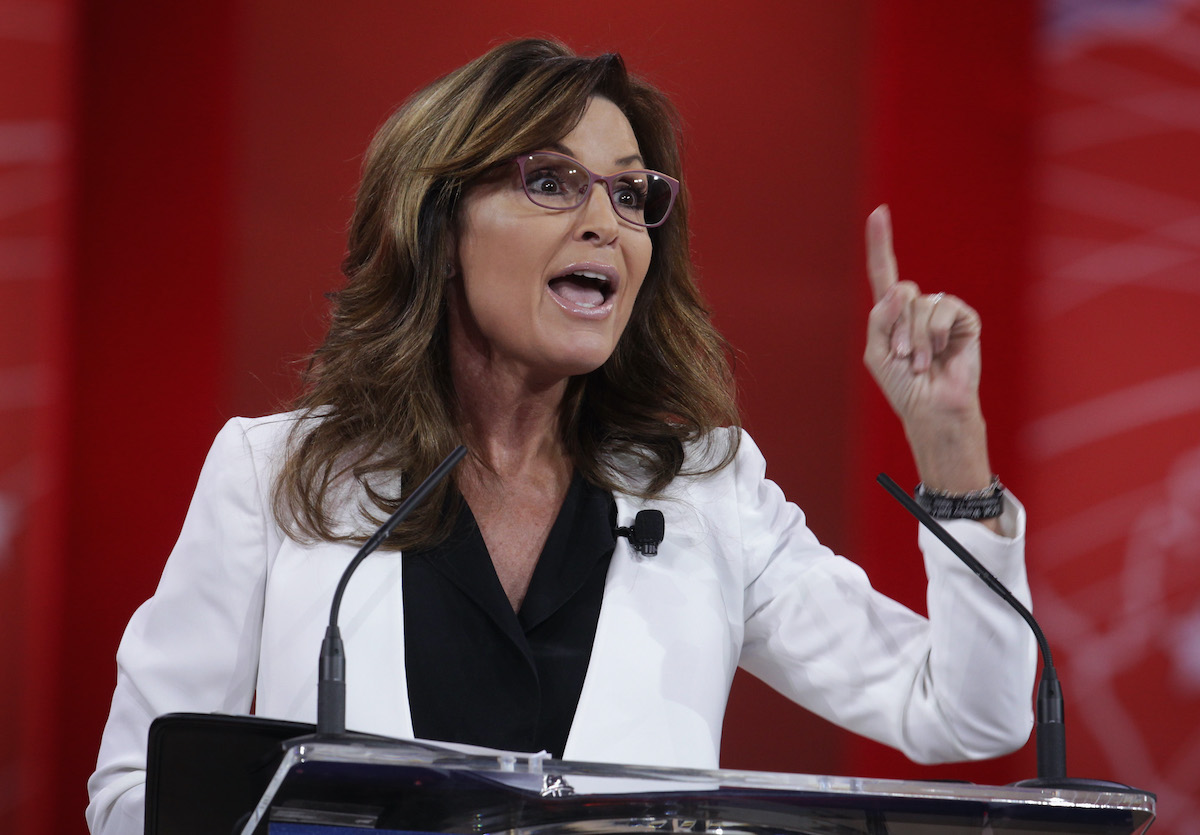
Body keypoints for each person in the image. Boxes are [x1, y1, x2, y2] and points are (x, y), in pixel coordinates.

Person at [86, 38, 1035, 834]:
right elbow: (133, 792)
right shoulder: (279, 474)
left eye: (630, 195)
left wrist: (951, 445)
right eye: (552, 181)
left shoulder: (707, 492)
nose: (604, 224)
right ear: (439, 226)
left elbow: (964, 706)